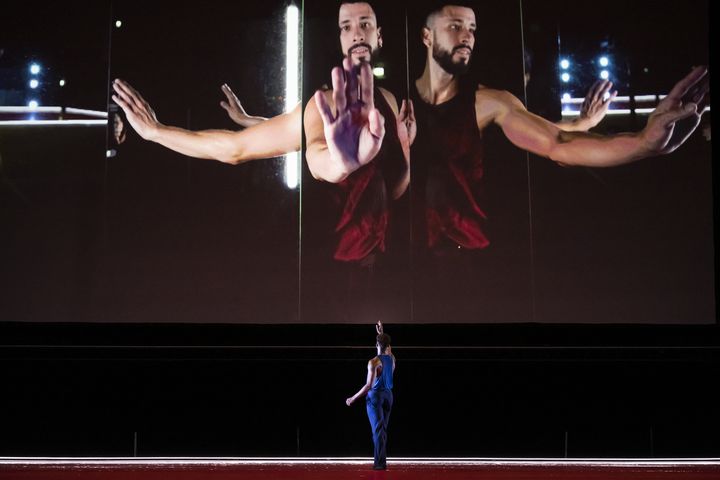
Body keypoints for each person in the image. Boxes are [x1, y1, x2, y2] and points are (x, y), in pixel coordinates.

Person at [410, 2, 709, 252]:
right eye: (455, 27)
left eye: (472, 29)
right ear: (426, 36)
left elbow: (557, 143)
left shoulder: (488, 102)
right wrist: (581, 123)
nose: (467, 37)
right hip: (403, 263)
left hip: (467, 260)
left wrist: (643, 142)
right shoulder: (396, 101)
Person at [346, 321, 395, 470]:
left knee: (378, 431)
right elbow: (386, 346)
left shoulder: (374, 362)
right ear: (388, 345)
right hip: (388, 396)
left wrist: (353, 398)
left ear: (376, 344)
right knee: (382, 430)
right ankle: (380, 462)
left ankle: (380, 464)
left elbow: (368, 386)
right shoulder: (392, 358)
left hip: (376, 397)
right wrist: (381, 332)